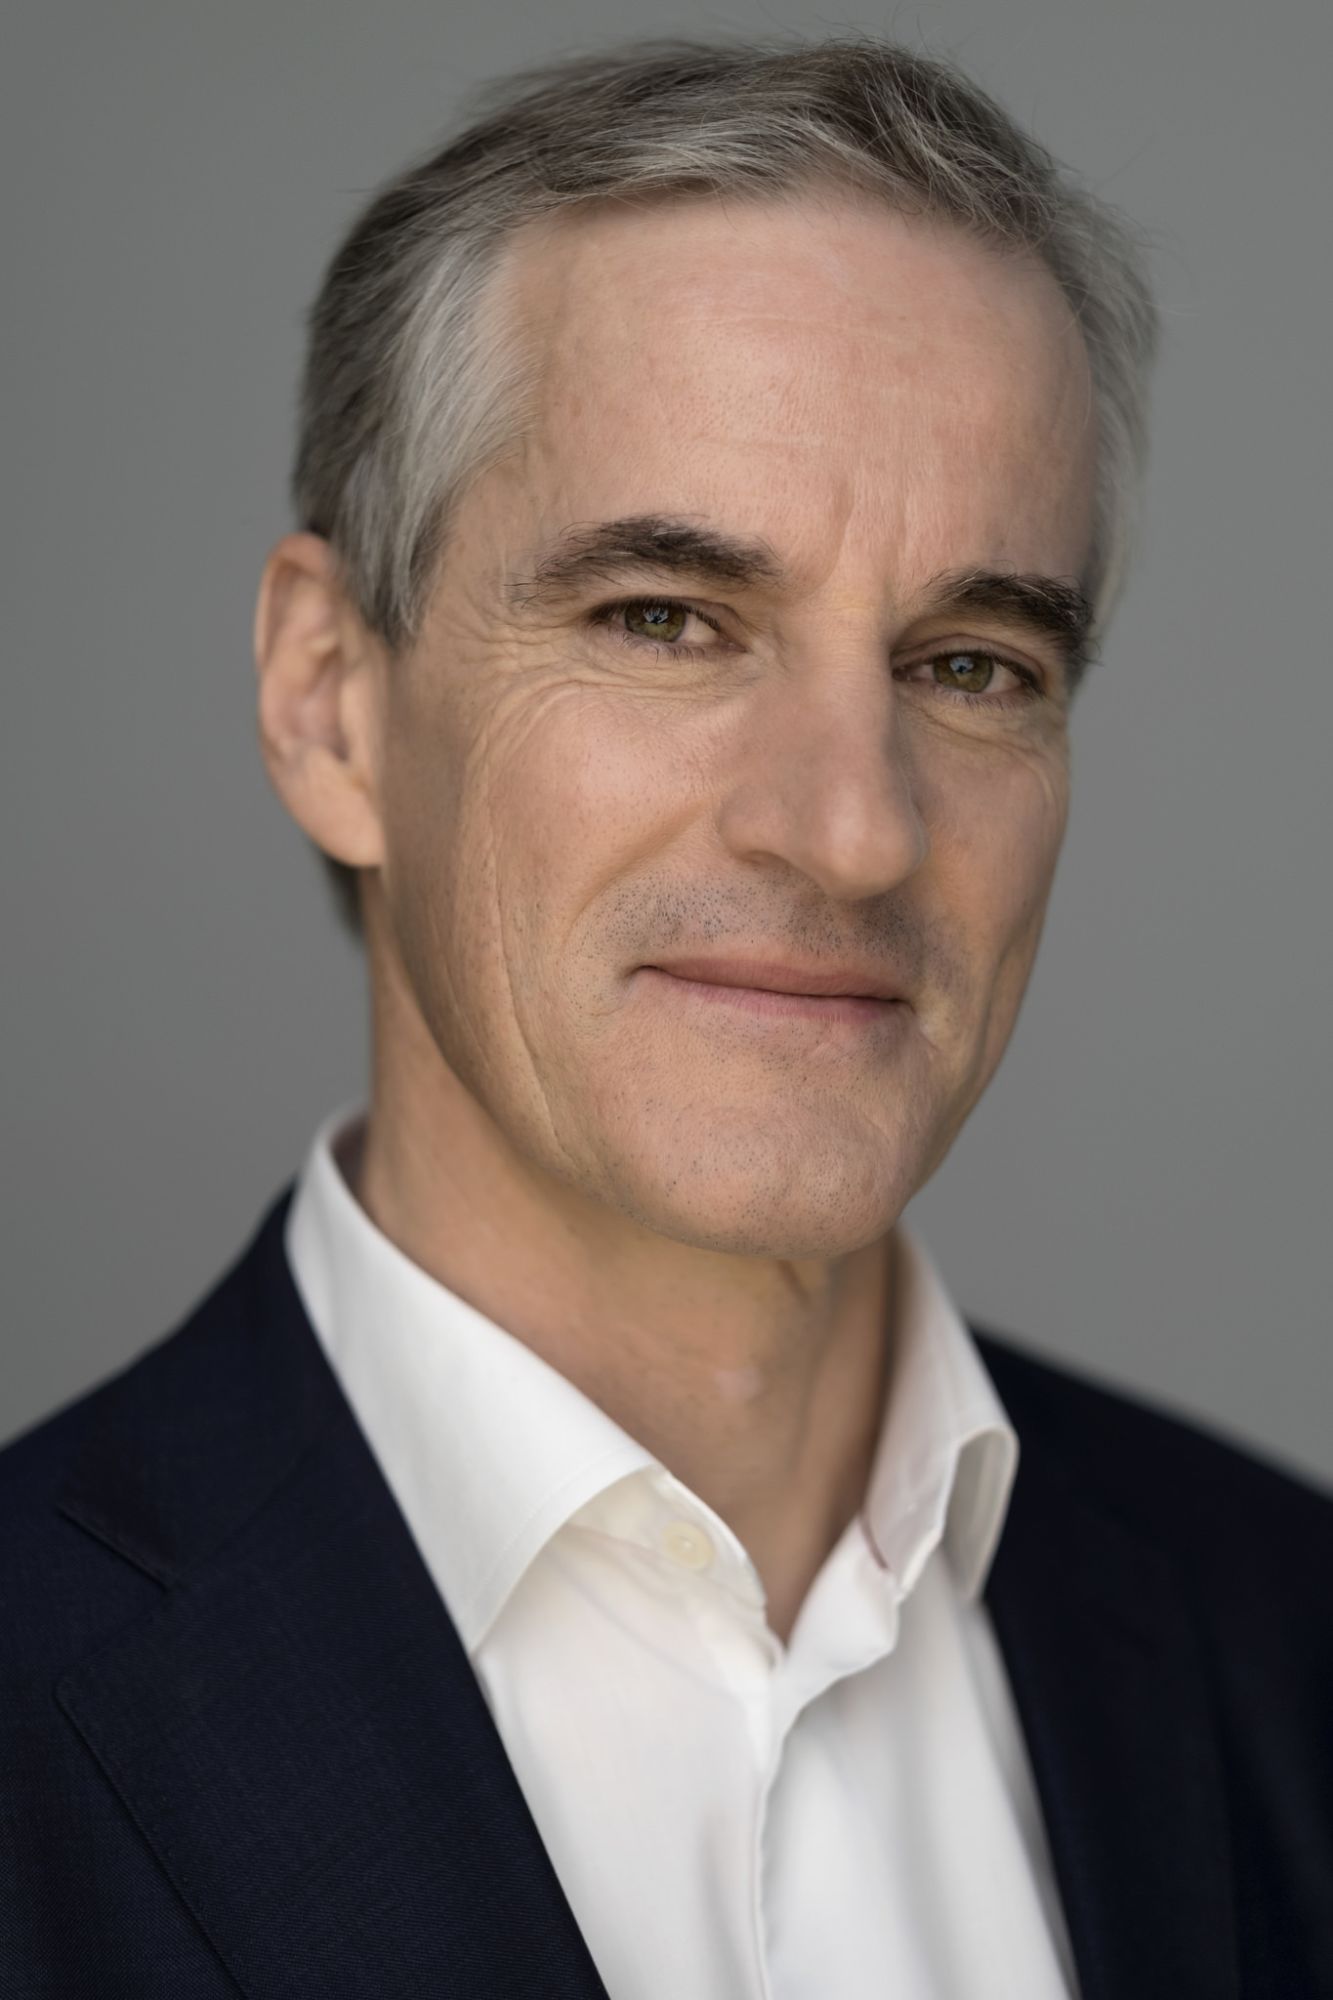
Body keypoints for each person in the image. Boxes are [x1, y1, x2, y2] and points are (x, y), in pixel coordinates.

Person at [2, 34, 1330, 2000]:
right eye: (664, 620)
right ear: (329, 702)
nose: (852, 829)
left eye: (971, 664)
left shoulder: (1290, 1636)